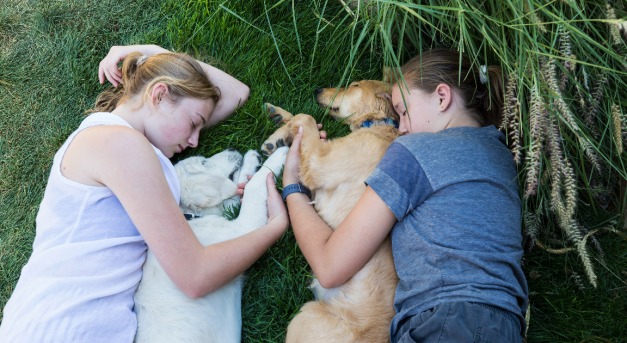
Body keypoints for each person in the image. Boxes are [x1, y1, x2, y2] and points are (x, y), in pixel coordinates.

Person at [0, 44, 288, 342]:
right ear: (159, 95)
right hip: (60, 325)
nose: (194, 141)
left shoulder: (128, 144)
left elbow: (235, 93)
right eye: (193, 124)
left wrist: (148, 54)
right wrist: (274, 227)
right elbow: (195, 275)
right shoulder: (118, 145)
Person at [282, 48, 528, 342]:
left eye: (402, 110)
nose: (401, 127)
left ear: (441, 97)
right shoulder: (501, 157)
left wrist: (292, 186)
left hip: (446, 321)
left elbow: (330, 266)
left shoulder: (416, 151)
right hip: (505, 324)